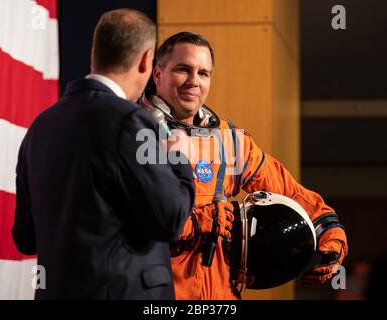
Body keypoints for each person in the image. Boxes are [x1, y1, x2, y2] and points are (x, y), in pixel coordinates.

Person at [142, 32, 348, 300]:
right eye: (183, 69)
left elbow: (294, 194)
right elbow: (119, 220)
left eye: (203, 73)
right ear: (158, 75)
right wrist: (198, 221)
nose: (194, 81)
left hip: (219, 294)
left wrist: (331, 240)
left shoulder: (229, 142)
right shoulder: (133, 134)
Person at [12, 9, 195, 300]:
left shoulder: (39, 128)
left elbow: (25, 238)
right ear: (147, 60)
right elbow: (171, 219)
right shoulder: (130, 122)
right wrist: (178, 158)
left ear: (95, 52)